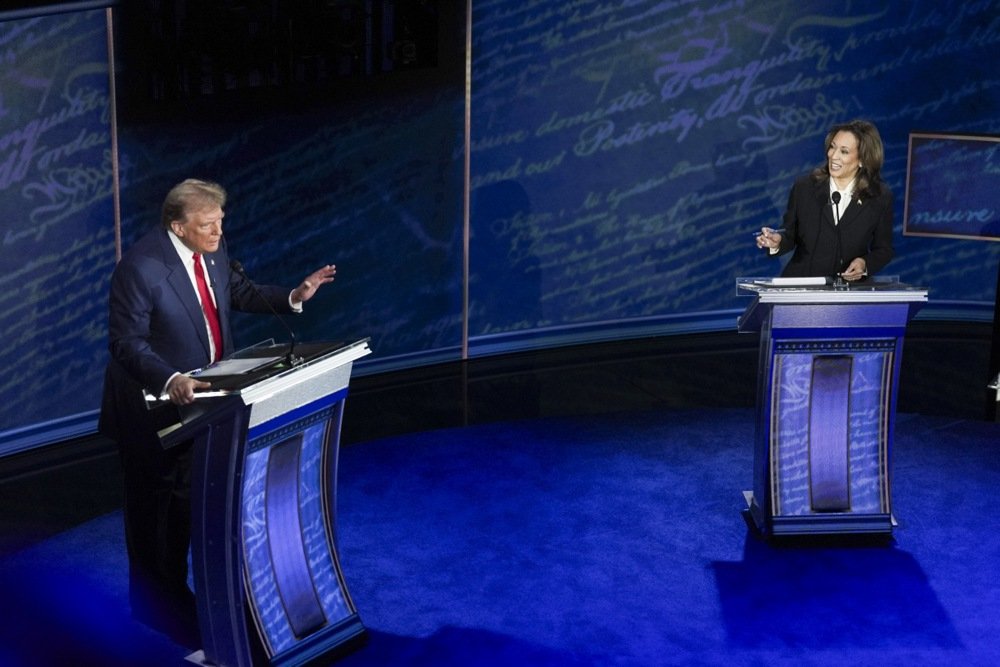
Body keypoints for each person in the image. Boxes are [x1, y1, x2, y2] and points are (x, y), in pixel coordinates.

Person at [98, 179, 336, 645]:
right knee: (154, 512)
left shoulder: (213, 249)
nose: (218, 233)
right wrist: (170, 379)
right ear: (177, 226)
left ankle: (172, 595)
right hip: (153, 409)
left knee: (186, 506)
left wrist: (294, 295)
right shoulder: (140, 269)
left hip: (206, 405)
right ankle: (153, 606)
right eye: (208, 225)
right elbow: (125, 344)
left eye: (221, 222)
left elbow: (237, 292)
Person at [755, 119, 894, 281]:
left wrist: (864, 264)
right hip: (801, 286)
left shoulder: (879, 197)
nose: (833, 156)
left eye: (844, 151)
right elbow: (790, 234)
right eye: (832, 147)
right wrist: (777, 242)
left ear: (862, 159)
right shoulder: (805, 187)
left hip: (847, 293)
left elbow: (884, 249)